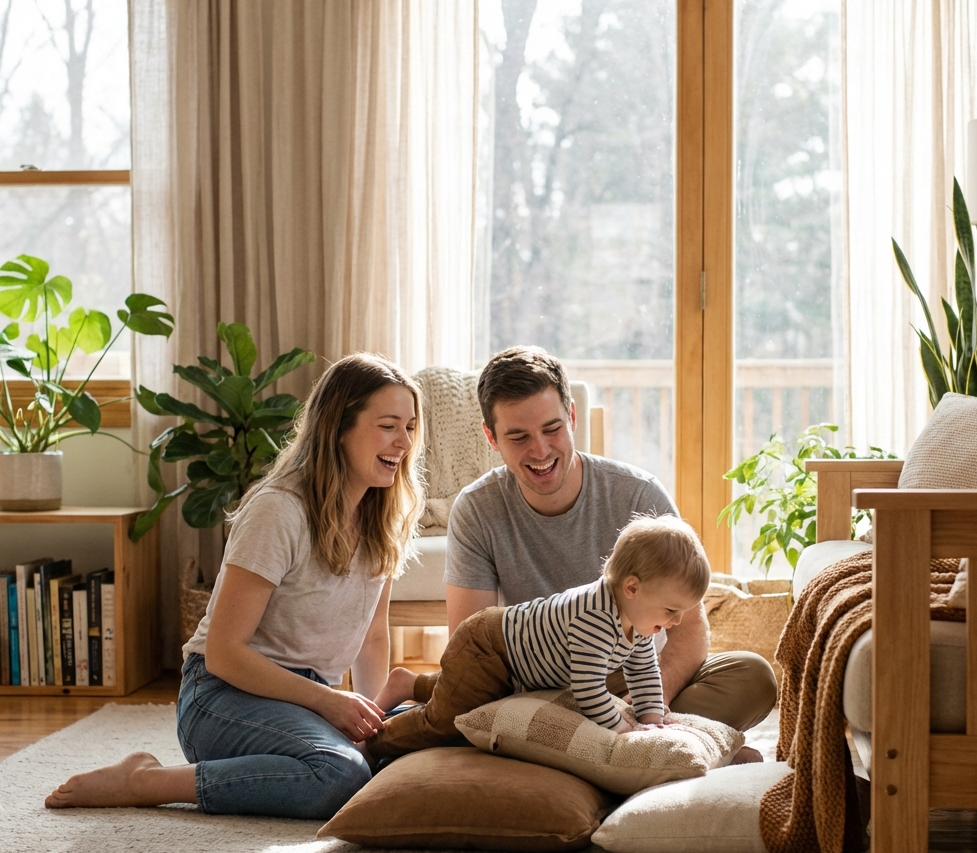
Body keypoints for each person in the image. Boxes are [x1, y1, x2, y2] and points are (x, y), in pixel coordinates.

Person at [45, 354, 424, 819]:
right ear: (338, 427)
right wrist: (329, 703)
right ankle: (144, 780)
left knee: (421, 736)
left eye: (409, 427)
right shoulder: (279, 511)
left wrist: (372, 724)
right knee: (340, 774)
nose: (403, 441)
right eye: (389, 425)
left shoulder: (382, 519)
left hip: (303, 702)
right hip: (221, 696)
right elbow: (224, 653)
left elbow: (372, 637)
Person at [442, 346, 777, 735]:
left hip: (632, 678)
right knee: (478, 706)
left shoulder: (637, 495)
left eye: (552, 429)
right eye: (518, 437)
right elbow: (470, 642)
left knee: (752, 676)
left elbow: (688, 627)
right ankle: (649, 747)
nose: (540, 450)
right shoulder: (476, 509)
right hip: (536, 685)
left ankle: (609, 744)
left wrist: (653, 700)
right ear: (491, 437)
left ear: (571, 416)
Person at [368, 514, 759, 762]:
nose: (675, 622)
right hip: (490, 647)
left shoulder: (640, 620)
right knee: (446, 721)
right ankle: (373, 741)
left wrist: (654, 719)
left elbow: (644, 673)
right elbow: (587, 691)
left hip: (521, 663)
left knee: (461, 692)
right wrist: (626, 731)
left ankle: (408, 683)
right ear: (633, 588)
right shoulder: (594, 616)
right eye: (672, 610)